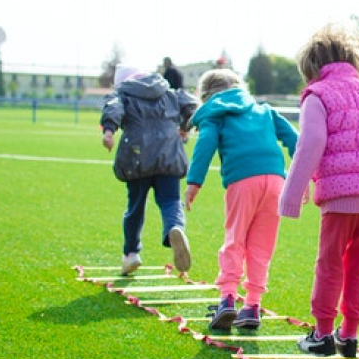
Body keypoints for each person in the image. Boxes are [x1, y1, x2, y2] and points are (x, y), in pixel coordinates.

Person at [279, 22, 359, 358]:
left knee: (329, 263)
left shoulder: (317, 95)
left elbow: (311, 143)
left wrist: (292, 194)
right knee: (358, 265)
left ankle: (321, 335)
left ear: (312, 68)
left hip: (341, 196)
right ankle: (349, 335)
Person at [185, 69, 298, 330]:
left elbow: (206, 143)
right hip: (275, 181)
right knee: (262, 245)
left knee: (235, 239)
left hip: (243, 180)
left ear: (206, 95)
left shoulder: (216, 114)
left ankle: (227, 299)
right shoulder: (265, 110)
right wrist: (304, 176)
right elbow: (295, 140)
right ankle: (252, 306)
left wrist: (194, 181)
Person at [100, 65, 198, 276]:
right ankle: (175, 227)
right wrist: (185, 127)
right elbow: (191, 105)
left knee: (135, 206)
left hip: (137, 157)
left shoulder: (123, 94)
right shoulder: (167, 91)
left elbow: (113, 107)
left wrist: (109, 131)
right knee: (171, 201)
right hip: (169, 154)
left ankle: (131, 253)